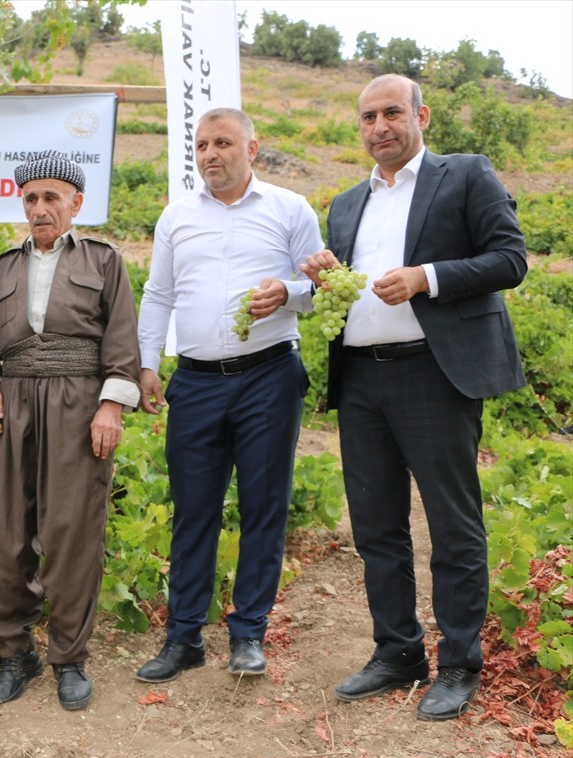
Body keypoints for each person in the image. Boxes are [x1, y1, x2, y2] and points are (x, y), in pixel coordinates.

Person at [303, 75, 528, 721]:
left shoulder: (464, 175)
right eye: (369, 116)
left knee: (453, 527)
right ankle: (398, 651)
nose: (380, 126)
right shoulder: (347, 204)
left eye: (393, 112)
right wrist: (325, 278)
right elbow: (347, 291)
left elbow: (510, 259)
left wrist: (426, 278)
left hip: (436, 375)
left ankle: (459, 663)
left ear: (420, 115)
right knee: (377, 528)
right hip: (364, 379)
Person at [135, 109, 321, 686]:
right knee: (194, 510)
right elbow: (158, 293)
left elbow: (319, 286)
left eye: (223, 142)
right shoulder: (176, 217)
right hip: (193, 380)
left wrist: (287, 292)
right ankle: (184, 637)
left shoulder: (291, 209)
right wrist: (147, 364)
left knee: (264, 506)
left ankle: (248, 636)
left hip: (268, 376)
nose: (210, 153)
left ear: (252, 148)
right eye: (202, 144)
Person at [0, 151, 142, 711]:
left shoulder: (103, 260)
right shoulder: (2, 266)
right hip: (15, 401)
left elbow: (122, 342)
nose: (40, 208)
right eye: (31, 198)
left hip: (78, 402)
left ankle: (69, 658)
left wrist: (111, 406)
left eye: (52, 197)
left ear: (76, 202)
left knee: (71, 528)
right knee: (5, 532)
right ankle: (14, 654)